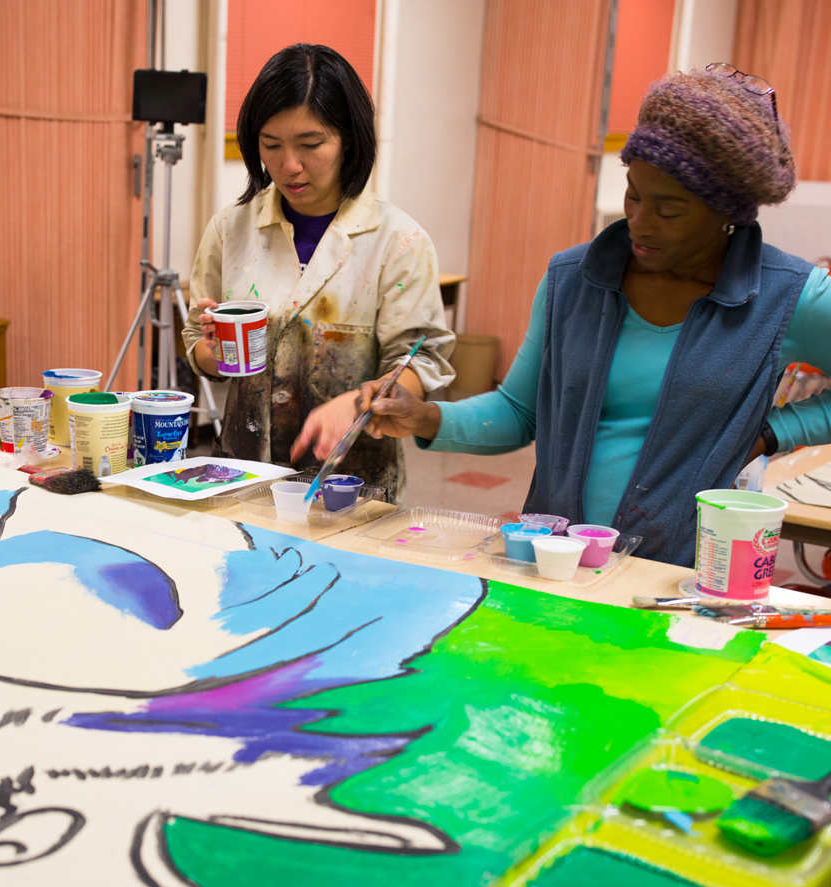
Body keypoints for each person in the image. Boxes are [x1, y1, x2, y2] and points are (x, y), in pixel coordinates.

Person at [355, 65, 831, 566]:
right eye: (634, 194)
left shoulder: (786, 297)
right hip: (555, 563)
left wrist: (773, 433)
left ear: (729, 212)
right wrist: (426, 417)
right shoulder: (573, 280)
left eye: (669, 210)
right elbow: (519, 413)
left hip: (683, 576)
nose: (639, 223)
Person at [182, 43, 454, 501]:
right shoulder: (231, 229)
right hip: (242, 475)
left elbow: (420, 359)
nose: (289, 166)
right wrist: (216, 351)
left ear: (348, 138)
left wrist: (361, 402)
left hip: (352, 486)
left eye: (311, 144)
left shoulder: (398, 241)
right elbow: (198, 344)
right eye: (271, 145)